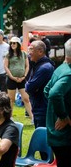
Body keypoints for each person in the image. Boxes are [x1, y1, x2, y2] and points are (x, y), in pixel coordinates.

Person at [44, 38, 71, 167]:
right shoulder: (69, 74)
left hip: (55, 133)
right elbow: (54, 93)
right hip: (64, 135)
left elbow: (46, 90)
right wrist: (63, 116)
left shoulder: (61, 68)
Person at [25, 40, 54, 128]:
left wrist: (30, 86)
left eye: (31, 50)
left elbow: (29, 87)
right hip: (37, 108)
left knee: (42, 136)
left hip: (43, 110)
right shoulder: (37, 65)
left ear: (40, 51)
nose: (29, 53)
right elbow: (30, 85)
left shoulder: (44, 68)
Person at [4, 37, 33, 121]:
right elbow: (5, 66)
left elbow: (27, 66)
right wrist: (12, 77)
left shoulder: (24, 54)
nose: (12, 45)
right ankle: (9, 117)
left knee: (26, 98)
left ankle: (32, 117)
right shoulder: (8, 54)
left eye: (14, 43)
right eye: (11, 43)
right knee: (11, 99)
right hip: (11, 79)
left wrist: (24, 76)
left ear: (18, 44)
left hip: (22, 79)